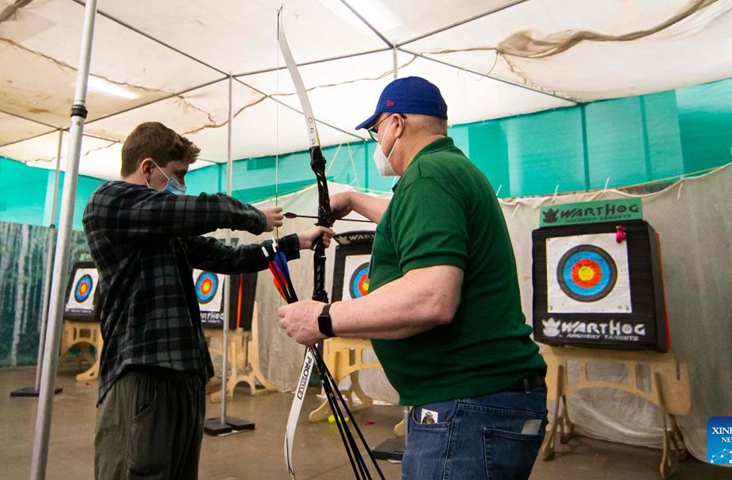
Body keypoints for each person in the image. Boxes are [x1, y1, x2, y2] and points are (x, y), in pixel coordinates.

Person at [277, 77, 548, 479]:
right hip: (478, 403)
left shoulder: (429, 177)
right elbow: (406, 220)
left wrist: (322, 318)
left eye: (376, 129)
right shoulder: (450, 170)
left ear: (397, 124)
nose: (376, 141)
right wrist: (351, 199)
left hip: (465, 406)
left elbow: (431, 297)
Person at [83, 121, 331, 480]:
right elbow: (200, 210)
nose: (181, 186)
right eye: (177, 175)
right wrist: (253, 216)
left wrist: (299, 242)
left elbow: (228, 257)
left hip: (184, 375)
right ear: (148, 168)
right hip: (142, 373)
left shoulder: (165, 228)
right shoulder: (108, 201)